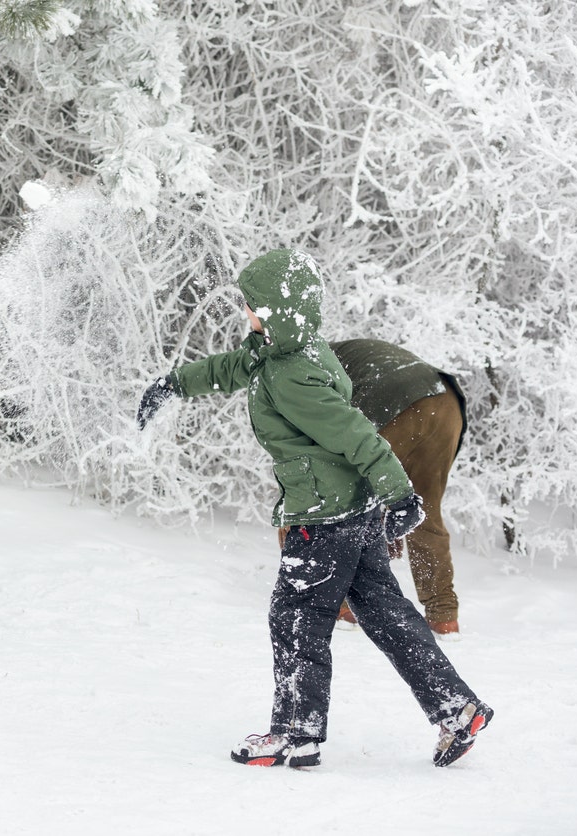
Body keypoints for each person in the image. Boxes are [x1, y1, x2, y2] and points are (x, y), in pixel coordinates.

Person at [136, 248, 492, 769]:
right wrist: (173, 384)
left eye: (253, 306)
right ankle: (456, 708)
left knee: (296, 615)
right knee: (386, 614)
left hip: (325, 516)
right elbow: (233, 366)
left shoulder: (291, 376)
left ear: (279, 312)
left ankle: (295, 733)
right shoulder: (288, 353)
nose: (247, 315)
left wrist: (400, 493)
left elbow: (357, 435)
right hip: (351, 511)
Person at [329, 338, 467, 639]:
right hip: (445, 402)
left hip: (393, 402)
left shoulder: (301, 368)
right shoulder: (345, 353)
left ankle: (339, 605)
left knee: (331, 500)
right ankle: (443, 616)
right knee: (424, 509)